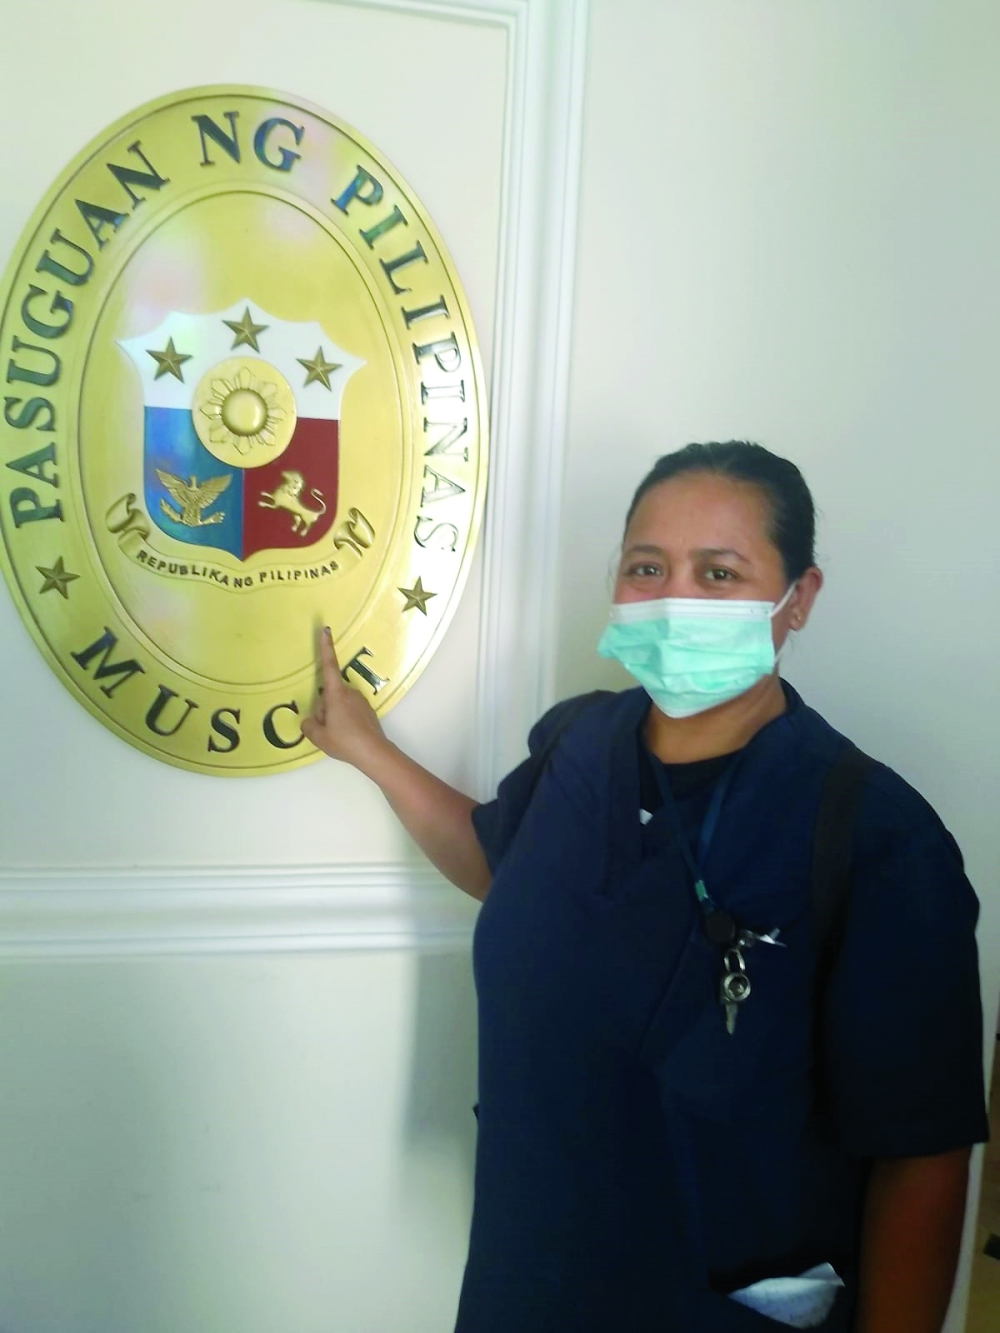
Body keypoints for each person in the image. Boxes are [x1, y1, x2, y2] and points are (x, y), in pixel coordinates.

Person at [302, 441, 988, 1332]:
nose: (675, 600)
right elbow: (502, 863)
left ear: (799, 597)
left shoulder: (874, 836)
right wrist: (371, 752)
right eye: (647, 567)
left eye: (719, 573)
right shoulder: (578, 742)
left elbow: (922, 1156)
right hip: (527, 1279)